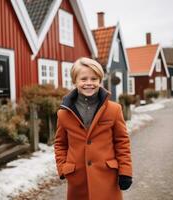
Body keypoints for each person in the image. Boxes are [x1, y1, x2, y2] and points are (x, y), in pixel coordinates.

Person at [54, 57, 132, 200]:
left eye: (94, 79)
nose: (89, 83)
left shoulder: (114, 110)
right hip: (78, 181)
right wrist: (62, 167)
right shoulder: (64, 113)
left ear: (100, 80)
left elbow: (122, 142)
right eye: (83, 79)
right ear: (75, 81)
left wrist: (125, 171)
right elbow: (60, 144)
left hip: (107, 178)